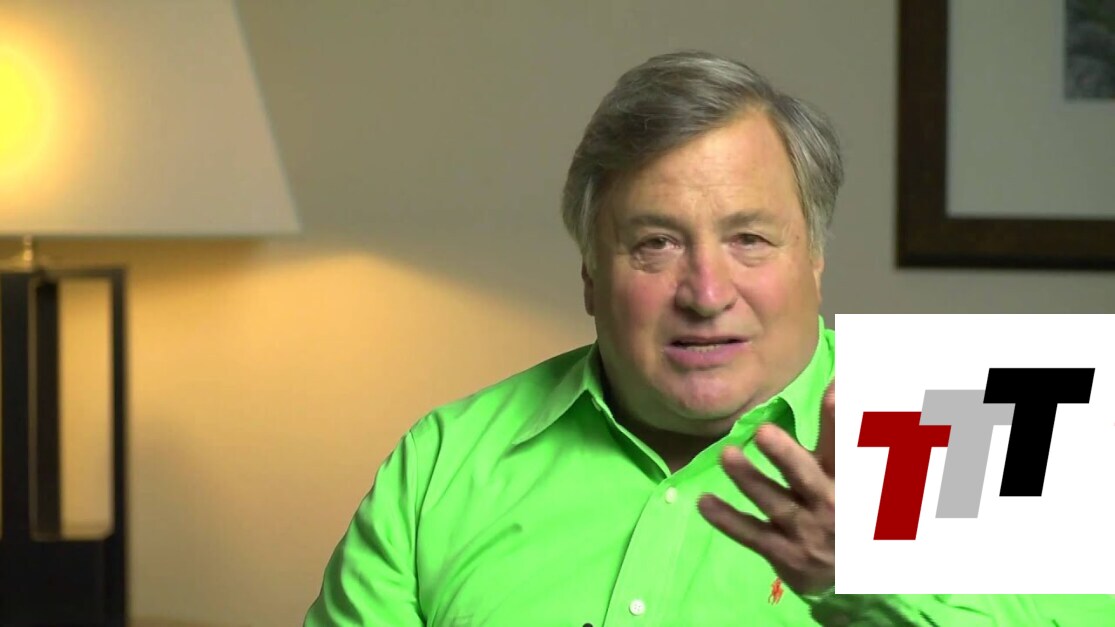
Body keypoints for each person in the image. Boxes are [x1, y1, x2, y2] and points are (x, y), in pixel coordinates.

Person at [305, 51, 1114, 626]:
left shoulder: (1004, 421)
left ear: (815, 259)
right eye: (654, 243)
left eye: (749, 240)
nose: (705, 292)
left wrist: (864, 581)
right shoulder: (443, 460)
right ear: (589, 273)